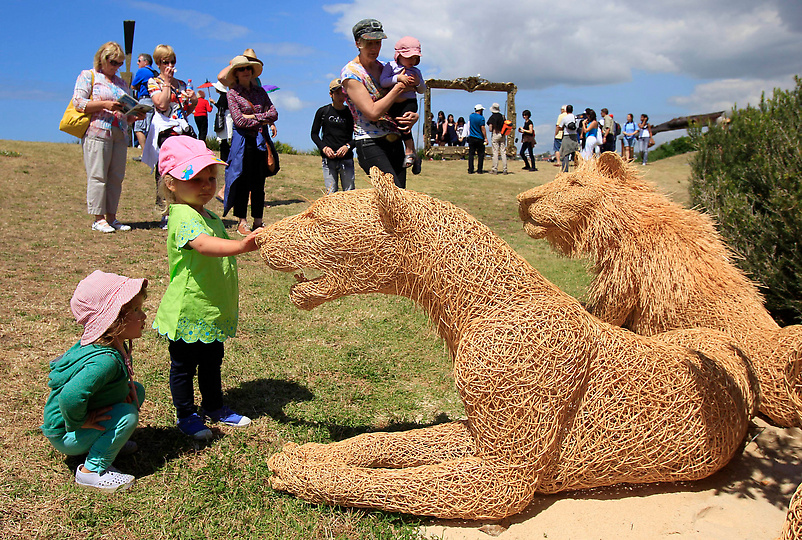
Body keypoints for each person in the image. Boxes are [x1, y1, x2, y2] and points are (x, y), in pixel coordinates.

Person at [153, 136, 262, 441]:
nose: (205, 185)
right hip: (189, 308)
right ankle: (186, 415)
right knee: (184, 367)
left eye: (211, 178)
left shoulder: (209, 214)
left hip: (210, 307)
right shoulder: (182, 215)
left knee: (212, 361)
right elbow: (202, 245)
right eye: (195, 178)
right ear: (171, 183)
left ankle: (215, 407)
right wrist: (241, 246)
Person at [41, 270, 148, 492]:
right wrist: (80, 421)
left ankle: (108, 441)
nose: (144, 316)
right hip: (65, 434)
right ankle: (91, 471)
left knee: (134, 390)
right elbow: (70, 396)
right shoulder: (104, 361)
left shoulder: (110, 343)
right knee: (127, 415)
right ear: (113, 319)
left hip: (72, 427)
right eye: (136, 310)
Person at [72, 41, 144, 233]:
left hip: (120, 133)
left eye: (119, 63)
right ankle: (98, 217)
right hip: (97, 131)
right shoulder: (89, 76)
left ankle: (112, 217)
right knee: (98, 175)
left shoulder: (121, 83)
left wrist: (135, 115)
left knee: (116, 177)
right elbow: (78, 102)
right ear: (102, 59)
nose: (116, 67)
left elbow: (126, 113)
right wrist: (104, 104)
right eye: (113, 62)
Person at [341, 18, 419, 189]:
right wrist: (398, 88)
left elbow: (408, 96)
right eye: (369, 43)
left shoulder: (386, 67)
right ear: (357, 43)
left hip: (395, 140)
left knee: (399, 195)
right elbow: (372, 112)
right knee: (394, 196)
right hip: (370, 141)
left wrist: (413, 115)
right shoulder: (351, 73)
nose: (375, 48)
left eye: (378, 42)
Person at [221, 53, 279, 236]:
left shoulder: (260, 92)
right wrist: (262, 119)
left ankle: (258, 221)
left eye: (248, 68)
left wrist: (252, 117)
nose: (245, 71)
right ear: (236, 73)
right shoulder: (232, 93)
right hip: (243, 144)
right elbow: (239, 121)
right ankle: (242, 221)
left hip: (260, 142)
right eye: (241, 69)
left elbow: (274, 114)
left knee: (258, 183)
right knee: (242, 180)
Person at [141, 44, 197, 228]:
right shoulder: (154, 82)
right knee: (165, 172)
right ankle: (165, 211)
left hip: (181, 131)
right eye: (165, 62)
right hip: (165, 133)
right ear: (158, 63)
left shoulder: (181, 84)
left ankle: (184, 208)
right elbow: (162, 104)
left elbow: (186, 111)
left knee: (184, 171)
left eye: (172, 61)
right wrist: (165, 81)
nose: (170, 65)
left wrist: (193, 100)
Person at [380, 36, 426, 167]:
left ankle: (409, 152)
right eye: (409, 57)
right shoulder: (391, 67)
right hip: (393, 103)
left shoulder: (416, 72)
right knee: (395, 128)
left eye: (415, 58)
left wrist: (418, 83)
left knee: (404, 124)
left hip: (409, 102)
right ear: (399, 55)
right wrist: (398, 78)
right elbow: (383, 82)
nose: (413, 60)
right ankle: (413, 155)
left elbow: (422, 90)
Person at [311, 78, 355, 194]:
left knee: (349, 194)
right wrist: (324, 148)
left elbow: (359, 135)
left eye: (343, 93)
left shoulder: (351, 113)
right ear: (331, 94)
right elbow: (314, 134)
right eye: (337, 93)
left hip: (346, 159)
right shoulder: (323, 112)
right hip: (328, 159)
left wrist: (348, 146)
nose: (341, 97)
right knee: (331, 193)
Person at [130, 53, 158, 151]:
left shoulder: (142, 71)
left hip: (145, 100)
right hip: (154, 100)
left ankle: (144, 152)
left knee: (138, 128)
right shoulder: (155, 73)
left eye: (139, 61)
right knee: (149, 128)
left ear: (145, 62)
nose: (137, 63)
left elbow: (133, 86)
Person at [556, 104, 579, 172]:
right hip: (574, 136)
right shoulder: (575, 118)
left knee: (565, 154)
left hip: (566, 136)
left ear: (566, 110)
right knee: (575, 154)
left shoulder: (565, 118)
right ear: (572, 110)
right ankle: (577, 169)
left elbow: (560, 126)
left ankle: (565, 169)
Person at [486, 103, 508, 175]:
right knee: (503, 152)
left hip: (495, 134)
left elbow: (490, 129)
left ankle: (494, 169)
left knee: (495, 152)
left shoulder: (492, 117)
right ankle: (505, 169)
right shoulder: (502, 117)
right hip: (502, 134)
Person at [467, 104, 488, 174]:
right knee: (481, 154)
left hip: (472, 137)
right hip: (479, 138)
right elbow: (483, 128)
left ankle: (470, 169)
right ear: (481, 110)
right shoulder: (481, 118)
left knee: (471, 154)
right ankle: (479, 169)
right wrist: (485, 138)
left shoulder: (471, 116)